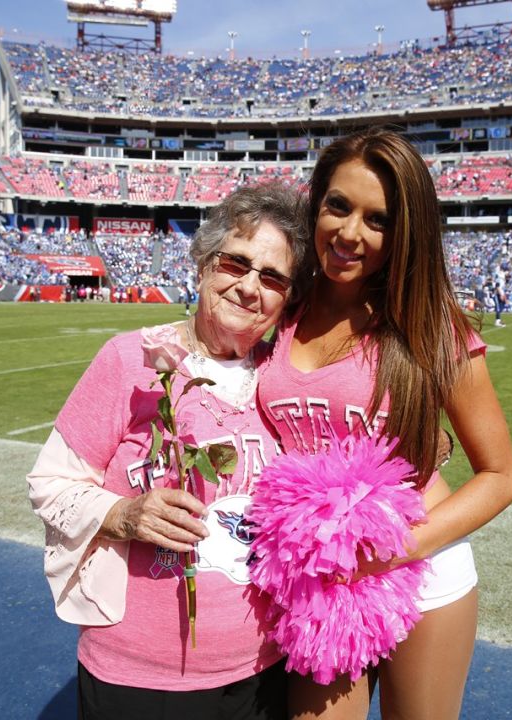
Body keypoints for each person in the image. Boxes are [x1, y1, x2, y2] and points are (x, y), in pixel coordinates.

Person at [254, 127, 512, 720]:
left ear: (405, 234)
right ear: (315, 204)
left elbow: (500, 475)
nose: (350, 234)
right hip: (317, 577)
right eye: (338, 207)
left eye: (378, 220)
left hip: (421, 569)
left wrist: (389, 553)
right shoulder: (285, 306)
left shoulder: (428, 325)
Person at [26, 183, 311, 720]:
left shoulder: (285, 378)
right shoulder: (128, 359)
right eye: (235, 262)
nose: (250, 286)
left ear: (287, 299)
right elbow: (50, 483)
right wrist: (123, 514)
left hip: (265, 668)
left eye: (272, 277)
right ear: (204, 265)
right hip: (137, 675)